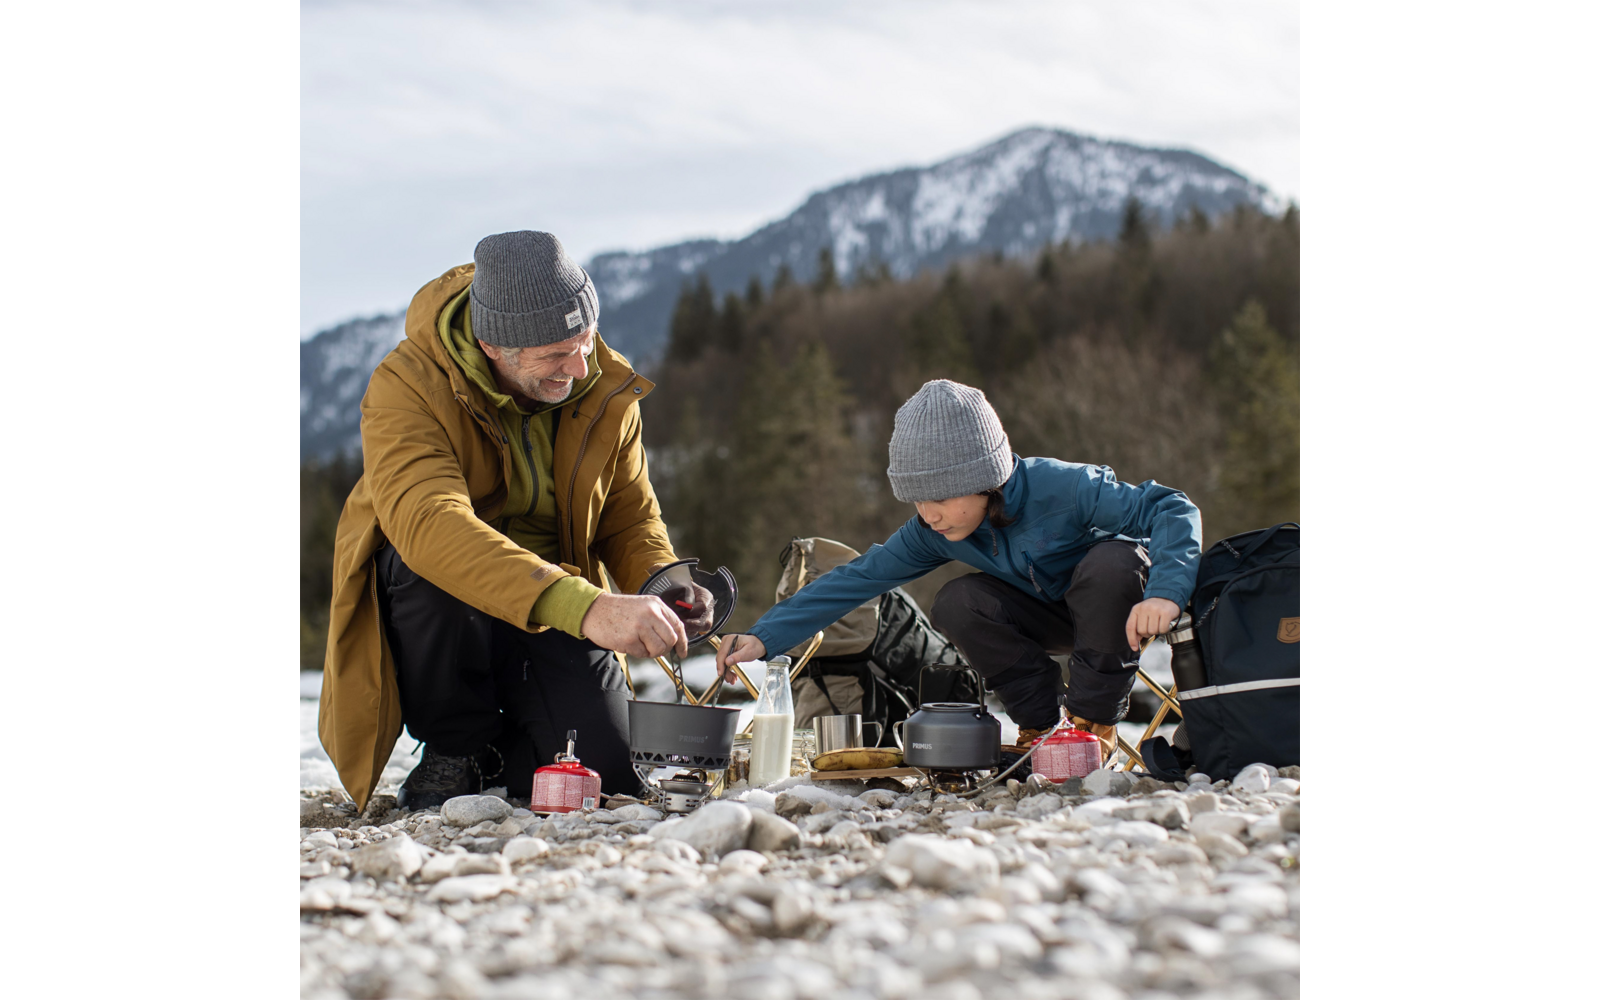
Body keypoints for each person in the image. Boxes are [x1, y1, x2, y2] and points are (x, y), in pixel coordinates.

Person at [320, 231, 712, 811]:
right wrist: (588, 607)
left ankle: (507, 748)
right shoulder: (406, 387)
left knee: (604, 775)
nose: (580, 368)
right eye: (556, 355)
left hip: (558, 597)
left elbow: (629, 517)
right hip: (453, 602)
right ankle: (457, 742)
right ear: (492, 346)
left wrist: (663, 580)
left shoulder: (603, 381)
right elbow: (432, 524)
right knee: (422, 565)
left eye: (585, 342)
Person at [716, 379, 1202, 761]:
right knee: (956, 600)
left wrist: (1165, 592)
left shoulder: (1067, 487)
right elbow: (856, 578)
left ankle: (1090, 730)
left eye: (941, 498)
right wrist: (764, 637)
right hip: (1042, 620)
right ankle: (1042, 729)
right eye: (917, 500)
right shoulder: (934, 532)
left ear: (984, 480)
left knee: (1111, 560)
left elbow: (1172, 509)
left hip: (1117, 614)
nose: (928, 514)